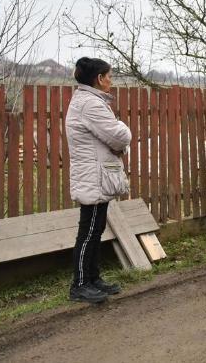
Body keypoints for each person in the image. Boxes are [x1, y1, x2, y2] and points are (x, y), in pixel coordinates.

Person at [65, 57, 132, 303]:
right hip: (93, 176)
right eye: (109, 76)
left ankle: (93, 279)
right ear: (99, 79)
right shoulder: (90, 104)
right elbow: (117, 136)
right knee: (89, 230)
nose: (111, 80)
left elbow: (110, 139)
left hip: (96, 174)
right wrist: (124, 128)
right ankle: (80, 284)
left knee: (96, 228)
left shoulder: (89, 100)